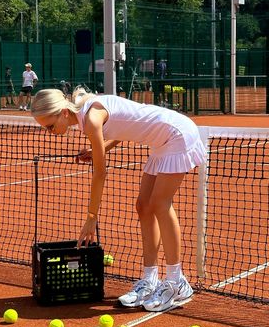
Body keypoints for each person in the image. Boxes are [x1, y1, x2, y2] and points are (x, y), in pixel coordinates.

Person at [30, 88, 206, 312]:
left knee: (160, 204)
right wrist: (100, 148)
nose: (50, 132)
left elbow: (100, 173)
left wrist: (92, 217)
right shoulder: (88, 113)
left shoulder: (91, 118)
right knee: (143, 206)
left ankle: (176, 281)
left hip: (176, 134)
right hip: (161, 141)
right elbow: (126, 125)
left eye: (50, 126)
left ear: (64, 112)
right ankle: (150, 279)